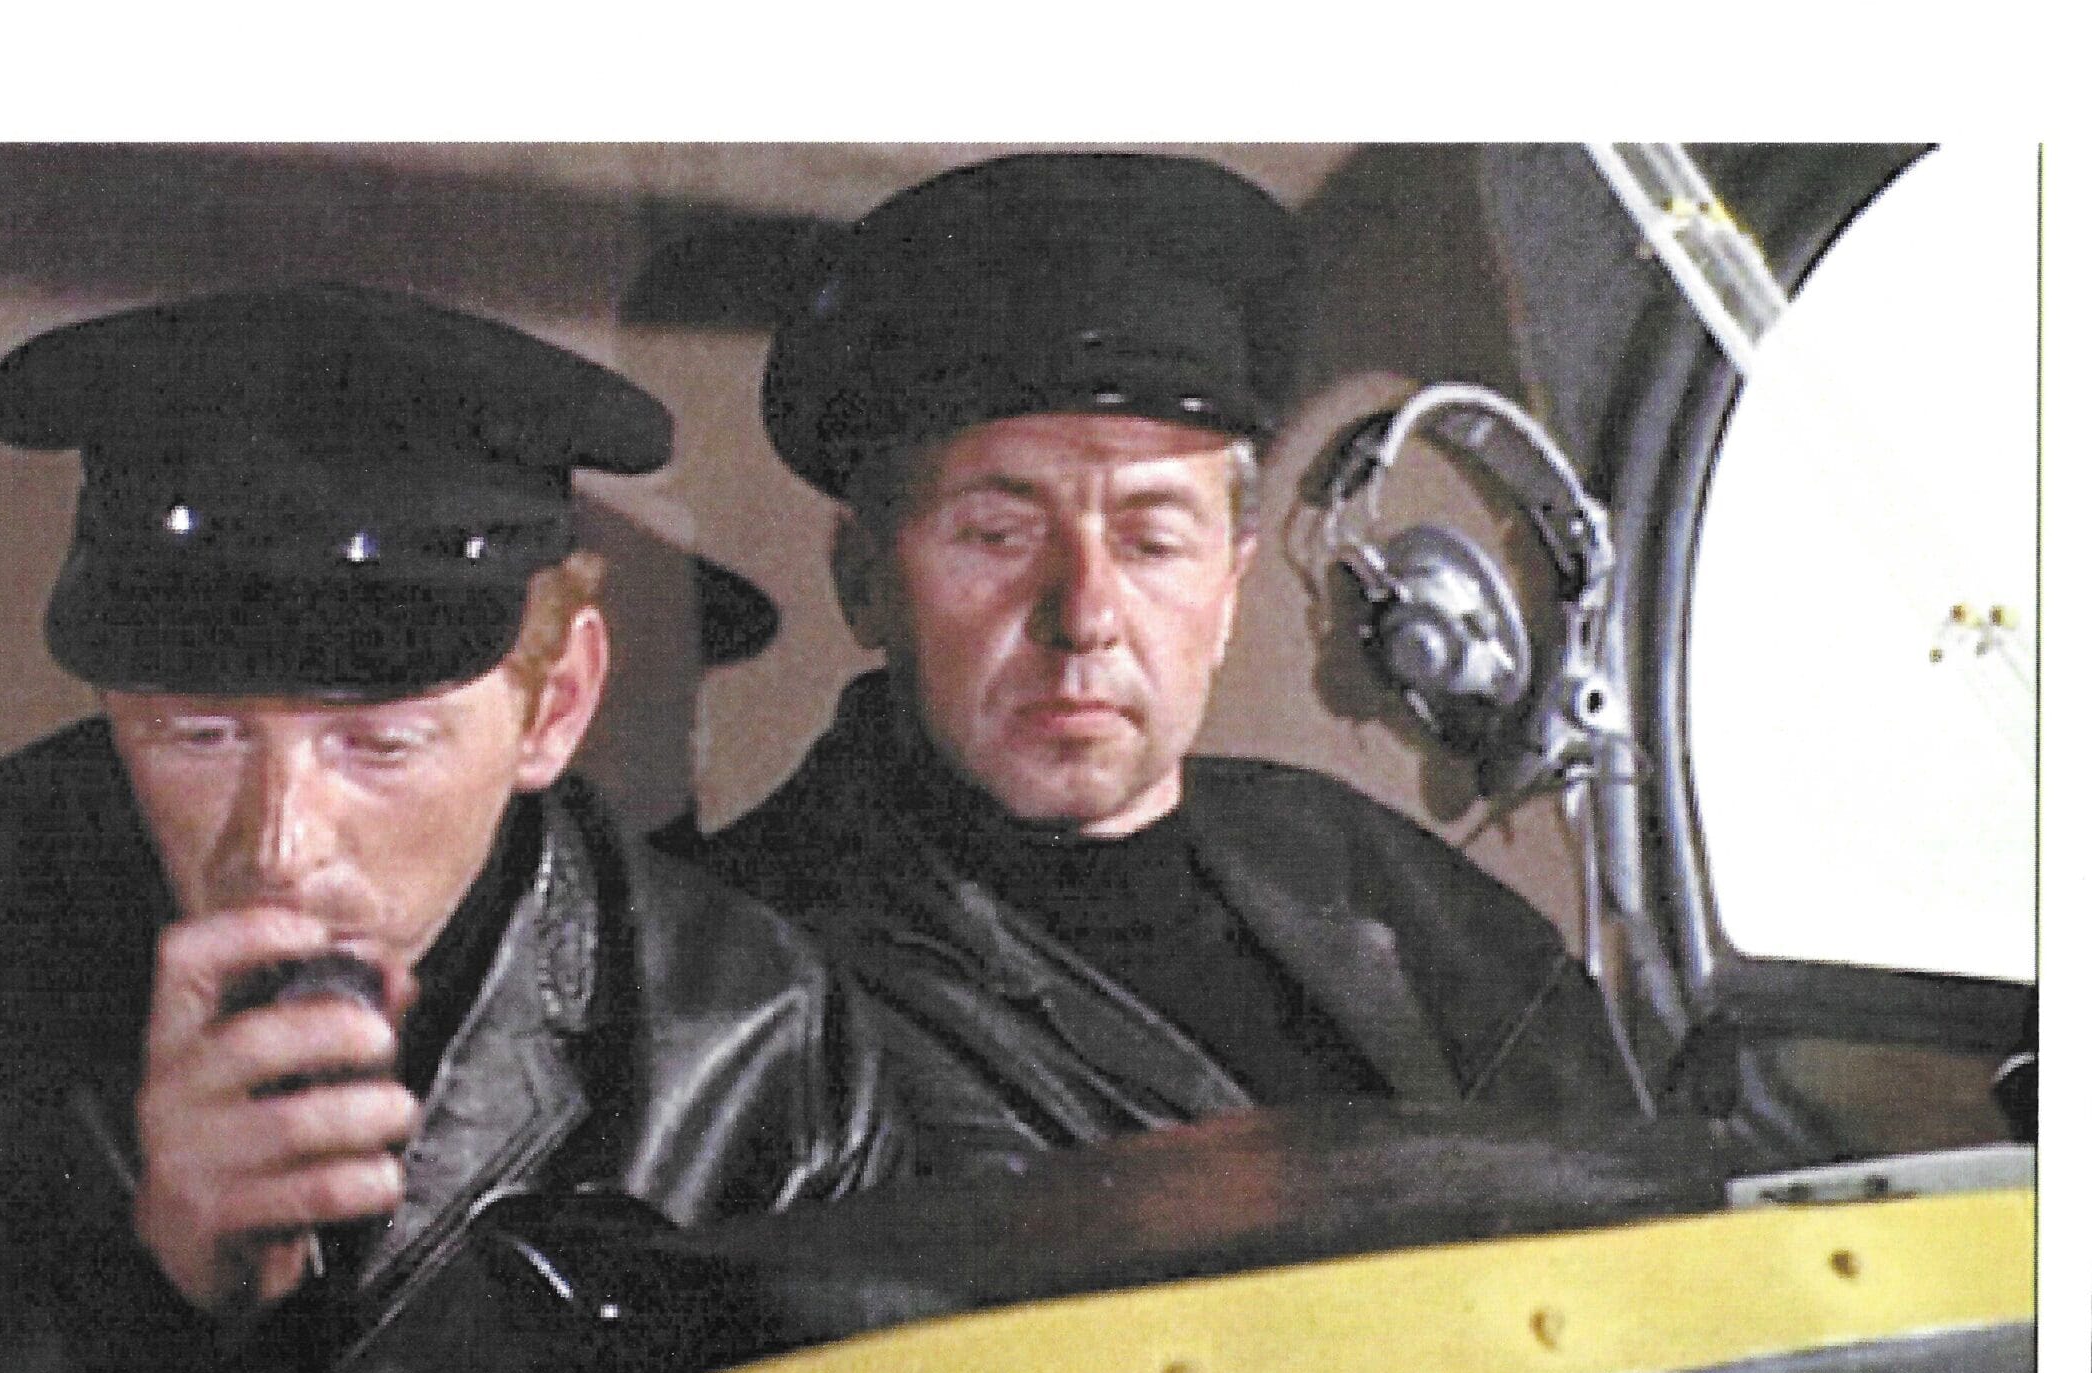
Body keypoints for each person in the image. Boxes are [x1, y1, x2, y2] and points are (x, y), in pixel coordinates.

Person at [0, 283, 907, 1373]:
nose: (278, 847)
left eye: (377, 745)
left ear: (554, 705)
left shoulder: (754, 1046)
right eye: (198, 734)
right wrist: (156, 1307)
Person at [680, 152, 1639, 1163]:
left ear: (1229, 584)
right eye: (998, 536)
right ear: (864, 579)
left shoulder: (1382, 886)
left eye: (1152, 541)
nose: (1086, 615)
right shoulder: (738, 985)